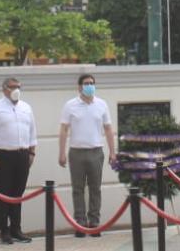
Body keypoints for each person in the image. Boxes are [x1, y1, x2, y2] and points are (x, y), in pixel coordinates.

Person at [58, 74, 116, 238]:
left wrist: (112, 152)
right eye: (86, 83)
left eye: (92, 83)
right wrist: (61, 152)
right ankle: (80, 224)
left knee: (95, 189)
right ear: (79, 87)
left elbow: (108, 129)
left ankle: (94, 223)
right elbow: (63, 129)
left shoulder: (102, 104)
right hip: (76, 152)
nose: (89, 85)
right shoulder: (70, 105)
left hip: (96, 152)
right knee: (78, 190)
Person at [0, 77, 37, 244]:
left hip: (23, 154)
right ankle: (4, 230)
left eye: (18, 86)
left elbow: (32, 131)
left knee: (18, 194)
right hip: (3, 155)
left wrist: (32, 153)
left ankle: (16, 229)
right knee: (4, 193)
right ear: (4, 89)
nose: (16, 90)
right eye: (13, 87)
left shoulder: (26, 108)